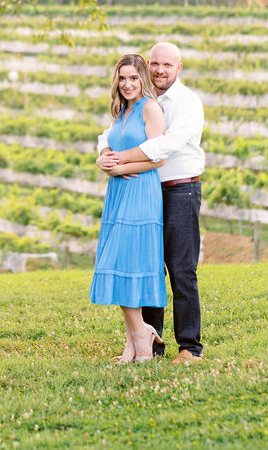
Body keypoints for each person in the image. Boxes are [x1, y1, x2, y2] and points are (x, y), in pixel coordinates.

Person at [97, 42, 205, 364]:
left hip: (180, 190)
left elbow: (164, 145)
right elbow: (110, 133)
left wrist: (120, 162)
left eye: (167, 65)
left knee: (181, 268)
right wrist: (103, 154)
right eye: (154, 63)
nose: (159, 69)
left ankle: (189, 347)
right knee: (147, 265)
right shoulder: (139, 99)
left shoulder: (186, 103)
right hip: (146, 192)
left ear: (179, 68)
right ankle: (150, 342)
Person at [90, 53, 168, 364]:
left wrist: (120, 168)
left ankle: (141, 336)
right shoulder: (120, 111)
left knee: (129, 261)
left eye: (133, 78)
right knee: (120, 264)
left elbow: (159, 157)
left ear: (143, 79)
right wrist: (103, 159)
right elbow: (109, 146)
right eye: (122, 78)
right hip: (118, 194)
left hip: (140, 191)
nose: (127, 84)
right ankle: (134, 340)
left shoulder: (150, 108)